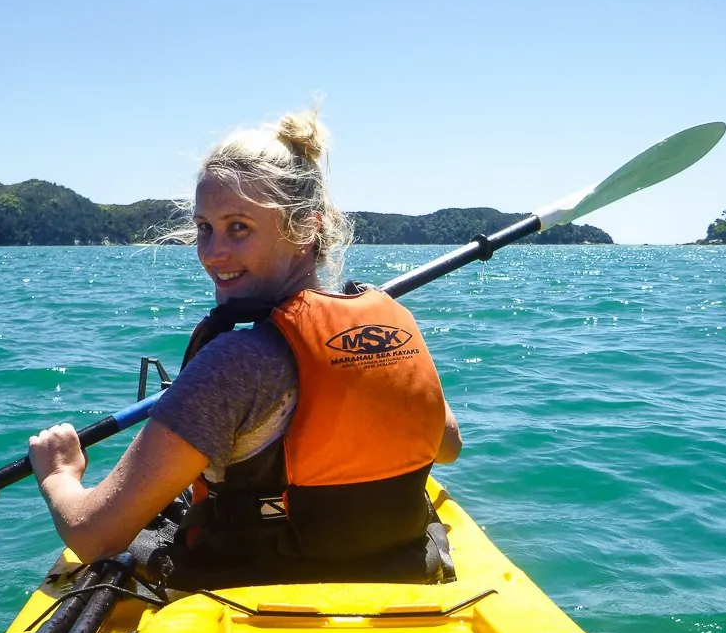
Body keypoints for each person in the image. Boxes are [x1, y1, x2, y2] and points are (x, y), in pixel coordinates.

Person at [29, 109, 463, 589]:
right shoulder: (391, 329)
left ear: (306, 227)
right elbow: (446, 447)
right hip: (397, 575)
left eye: (238, 227)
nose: (212, 252)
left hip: (257, 593)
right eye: (204, 228)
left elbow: (93, 536)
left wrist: (59, 474)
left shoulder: (234, 364)